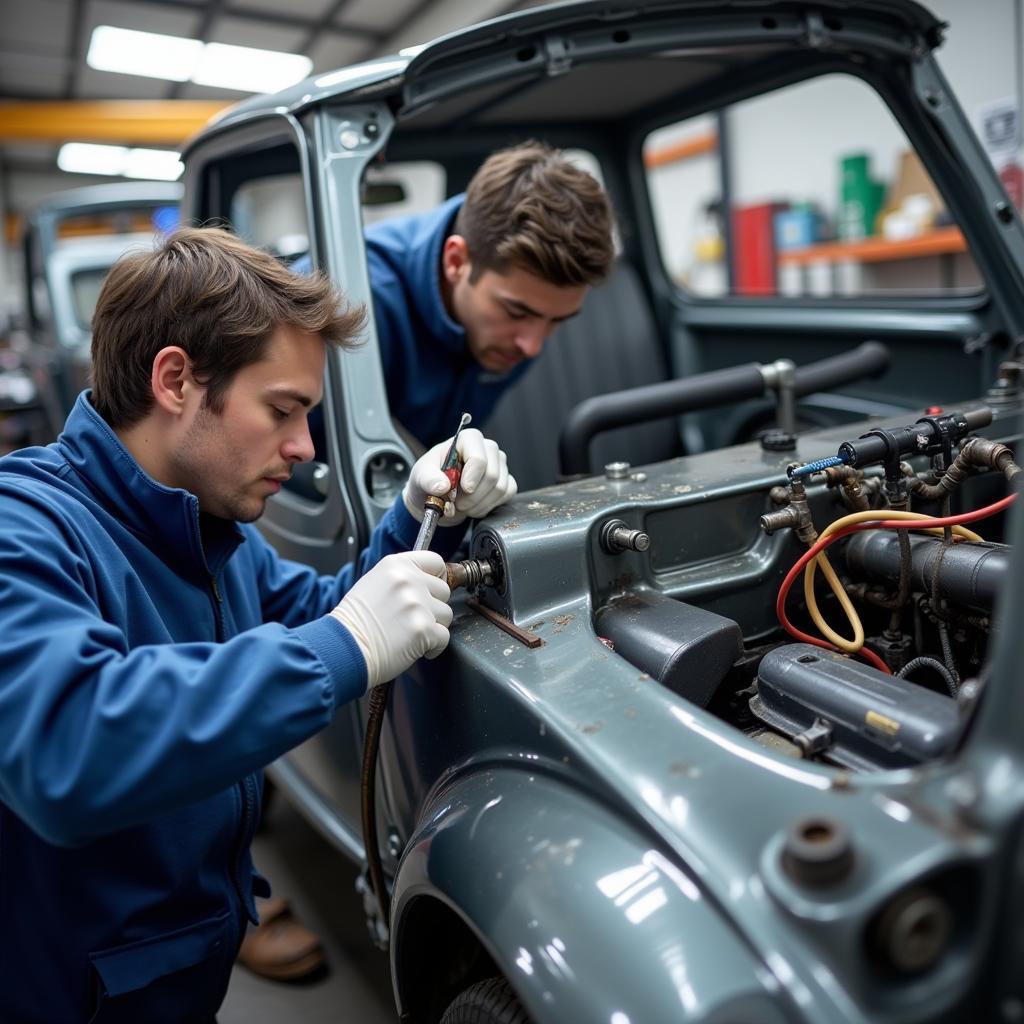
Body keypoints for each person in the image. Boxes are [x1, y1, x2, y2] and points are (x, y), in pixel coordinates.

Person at [0, 226, 517, 1023]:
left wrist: (422, 514)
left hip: (179, 973)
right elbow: (68, 745)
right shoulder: (25, 528)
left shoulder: (210, 530)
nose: (304, 448)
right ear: (176, 379)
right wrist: (345, 645)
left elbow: (328, 612)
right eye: (283, 409)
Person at [301, 140, 616, 454]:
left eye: (556, 322)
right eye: (517, 313)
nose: (533, 346)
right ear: (456, 261)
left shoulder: (514, 328)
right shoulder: (342, 300)